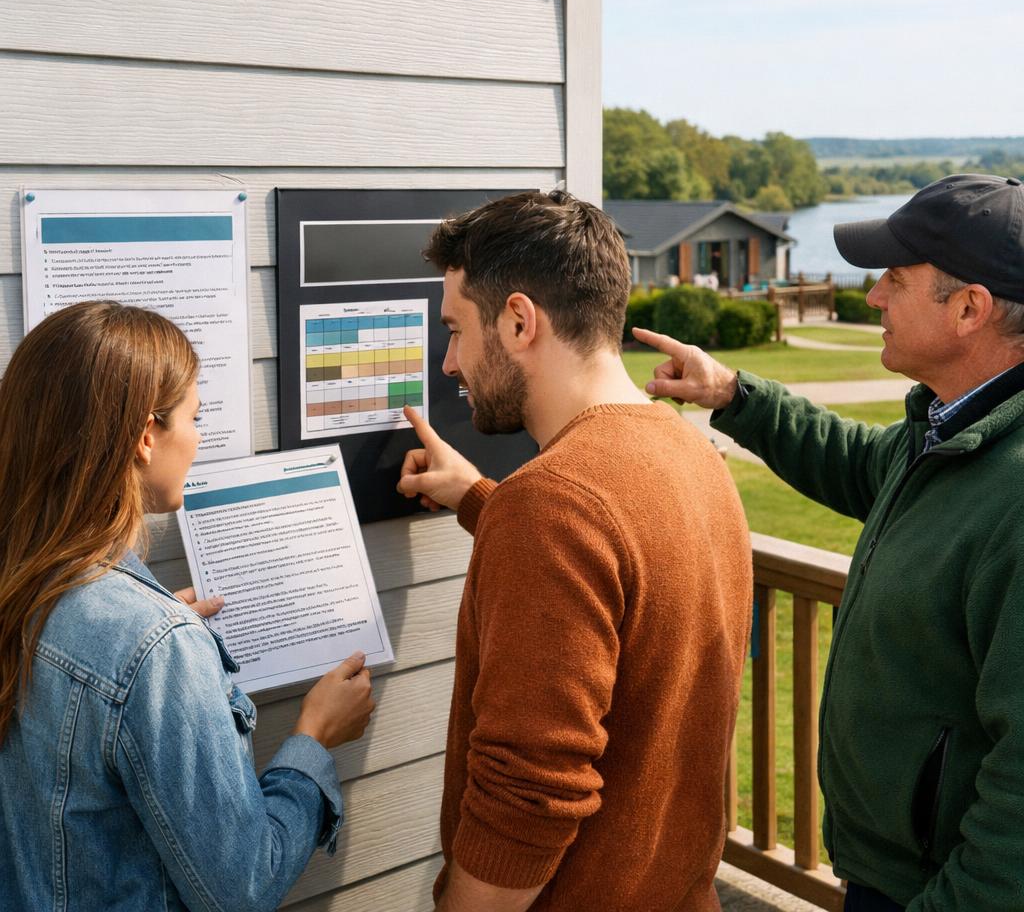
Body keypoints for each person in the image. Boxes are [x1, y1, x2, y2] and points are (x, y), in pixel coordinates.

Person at [637, 174, 1024, 912]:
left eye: (895, 280)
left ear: (969, 308)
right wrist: (734, 395)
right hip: (884, 871)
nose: (873, 296)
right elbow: (850, 459)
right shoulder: (944, 432)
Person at [397, 190, 752, 912]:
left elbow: (528, 801)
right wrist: (478, 499)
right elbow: (621, 583)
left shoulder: (554, 507)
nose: (448, 362)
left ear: (520, 321)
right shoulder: (695, 457)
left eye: (457, 330)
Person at [0, 301, 375, 912]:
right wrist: (314, 735)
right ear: (146, 436)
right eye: (195, 417)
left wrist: (149, 644)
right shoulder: (155, 646)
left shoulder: (23, 583)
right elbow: (242, 887)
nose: (199, 441)